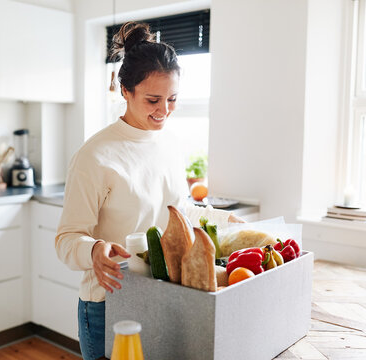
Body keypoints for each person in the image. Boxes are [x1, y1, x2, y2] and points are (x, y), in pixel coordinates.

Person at [55, 21, 244, 360]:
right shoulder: (94, 156)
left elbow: (176, 211)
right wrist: (95, 250)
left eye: (172, 99)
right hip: (108, 301)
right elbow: (67, 239)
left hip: (164, 295)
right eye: (153, 99)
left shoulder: (169, 144)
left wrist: (224, 219)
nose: (164, 110)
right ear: (124, 91)